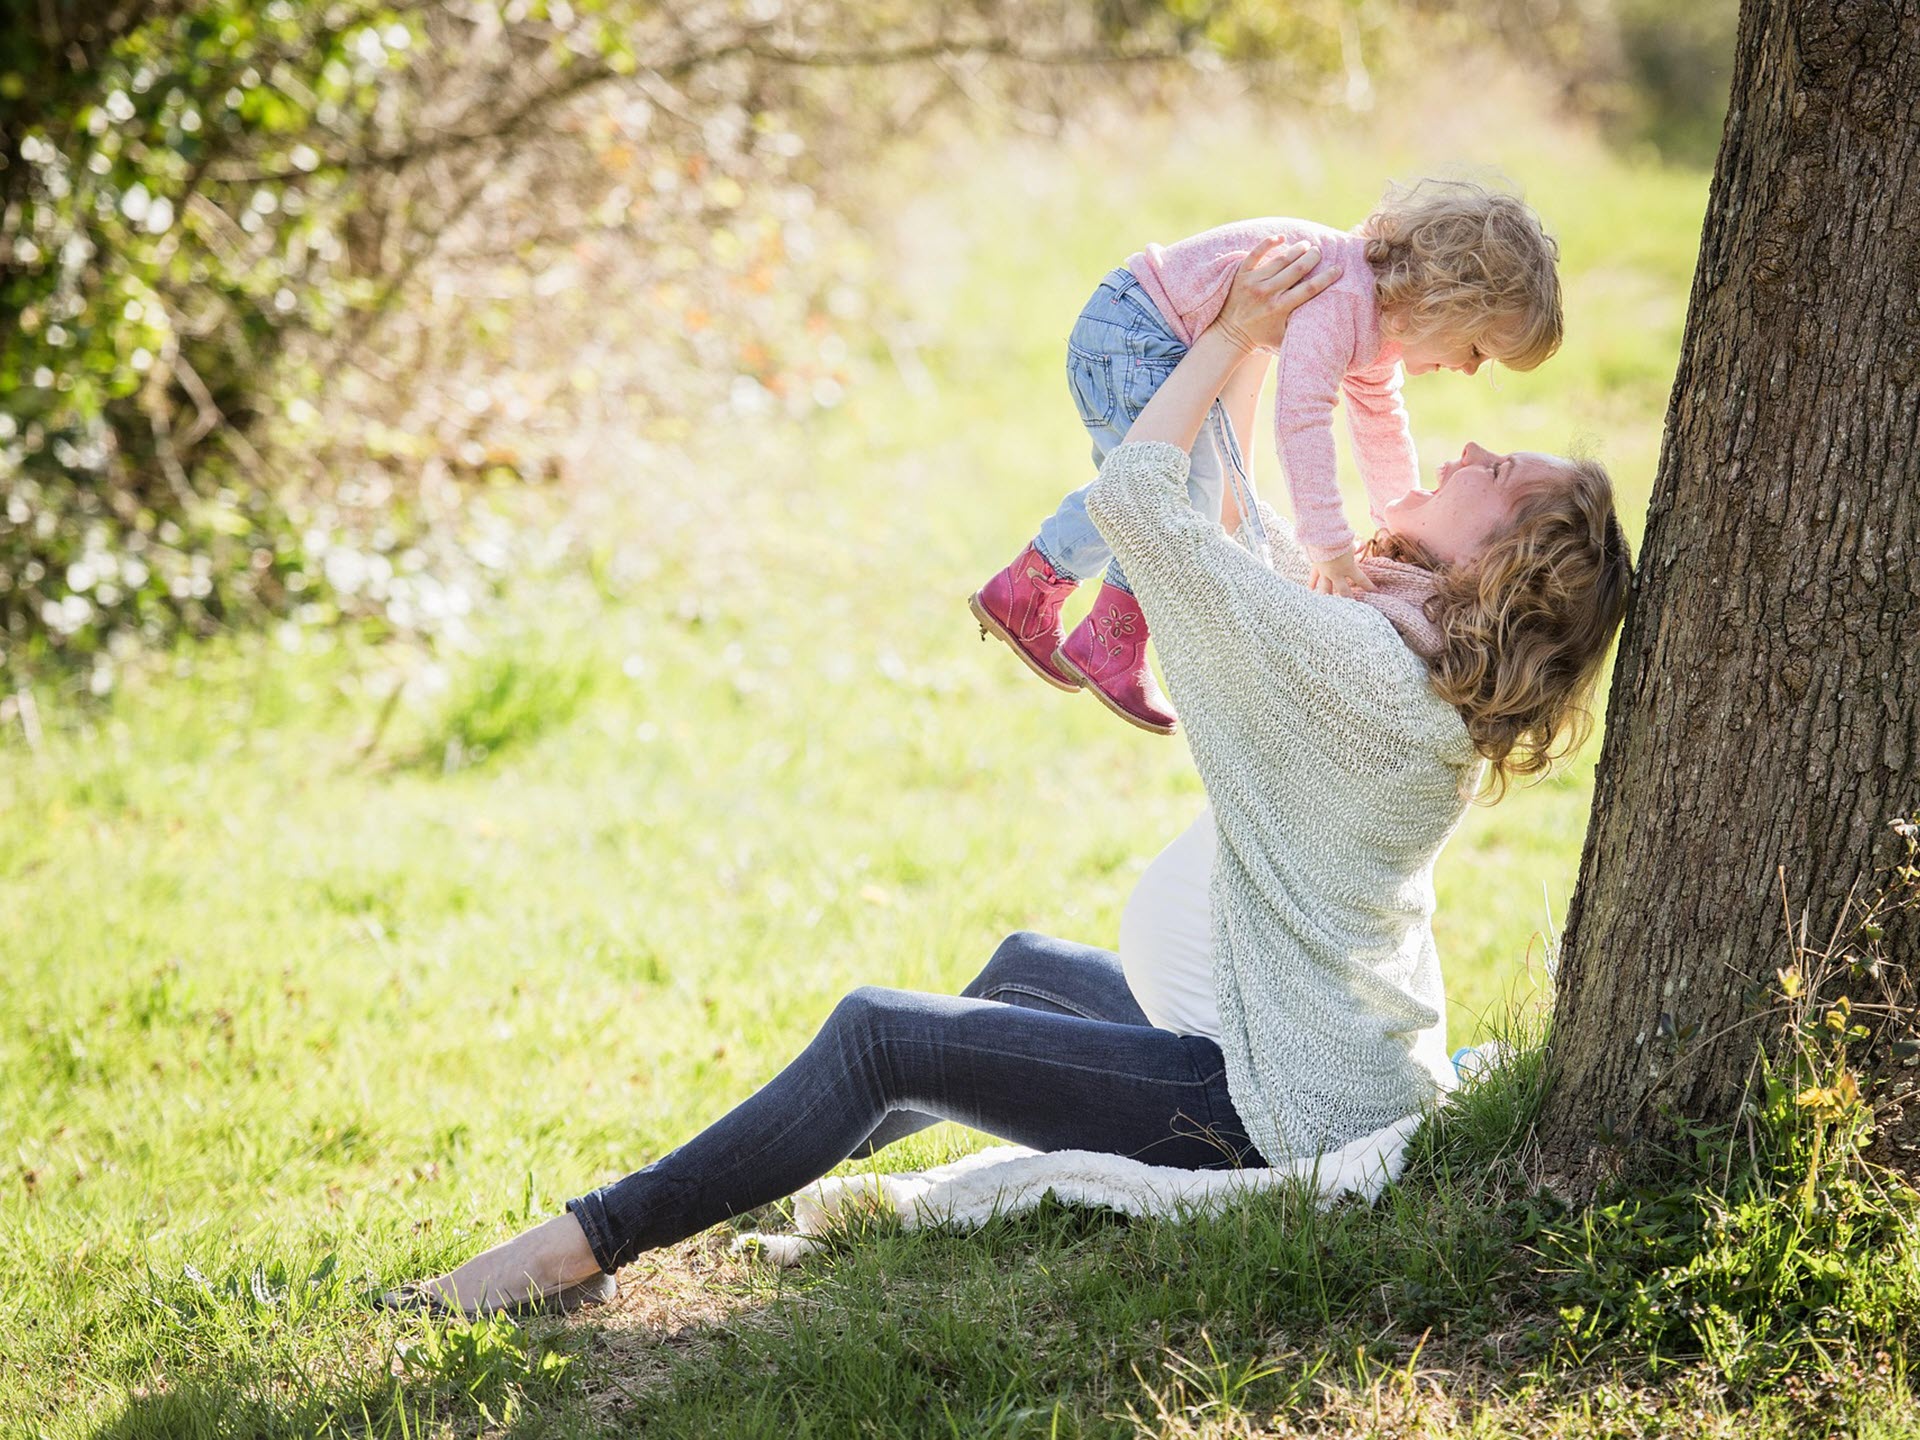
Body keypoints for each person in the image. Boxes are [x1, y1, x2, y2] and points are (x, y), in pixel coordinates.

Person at [381, 239, 1630, 1319]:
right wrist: (1259, 350)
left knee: (882, 1034)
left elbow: (1144, 500)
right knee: (1022, 968)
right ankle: (733, 1180)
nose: (1472, 445)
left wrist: (1237, 335)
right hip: (1306, 1048)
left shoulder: (1358, 667)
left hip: (1265, 1104)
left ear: (1503, 568)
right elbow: (1244, 538)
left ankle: (575, 1250)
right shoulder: (1407, 662)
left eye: (1504, 475)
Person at [969, 178, 1563, 734]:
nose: (1466, 369)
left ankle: (1029, 590)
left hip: (1144, 330)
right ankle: (1109, 636)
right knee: (1169, 492)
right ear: (1443, 302)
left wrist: (1394, 522)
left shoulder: (1379, 322)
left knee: (1166, 487)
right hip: (1135, 333)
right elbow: (1301, 419)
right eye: (1478, 348)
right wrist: (1329, 546)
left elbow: (1380, 424)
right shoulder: (1345, 297)